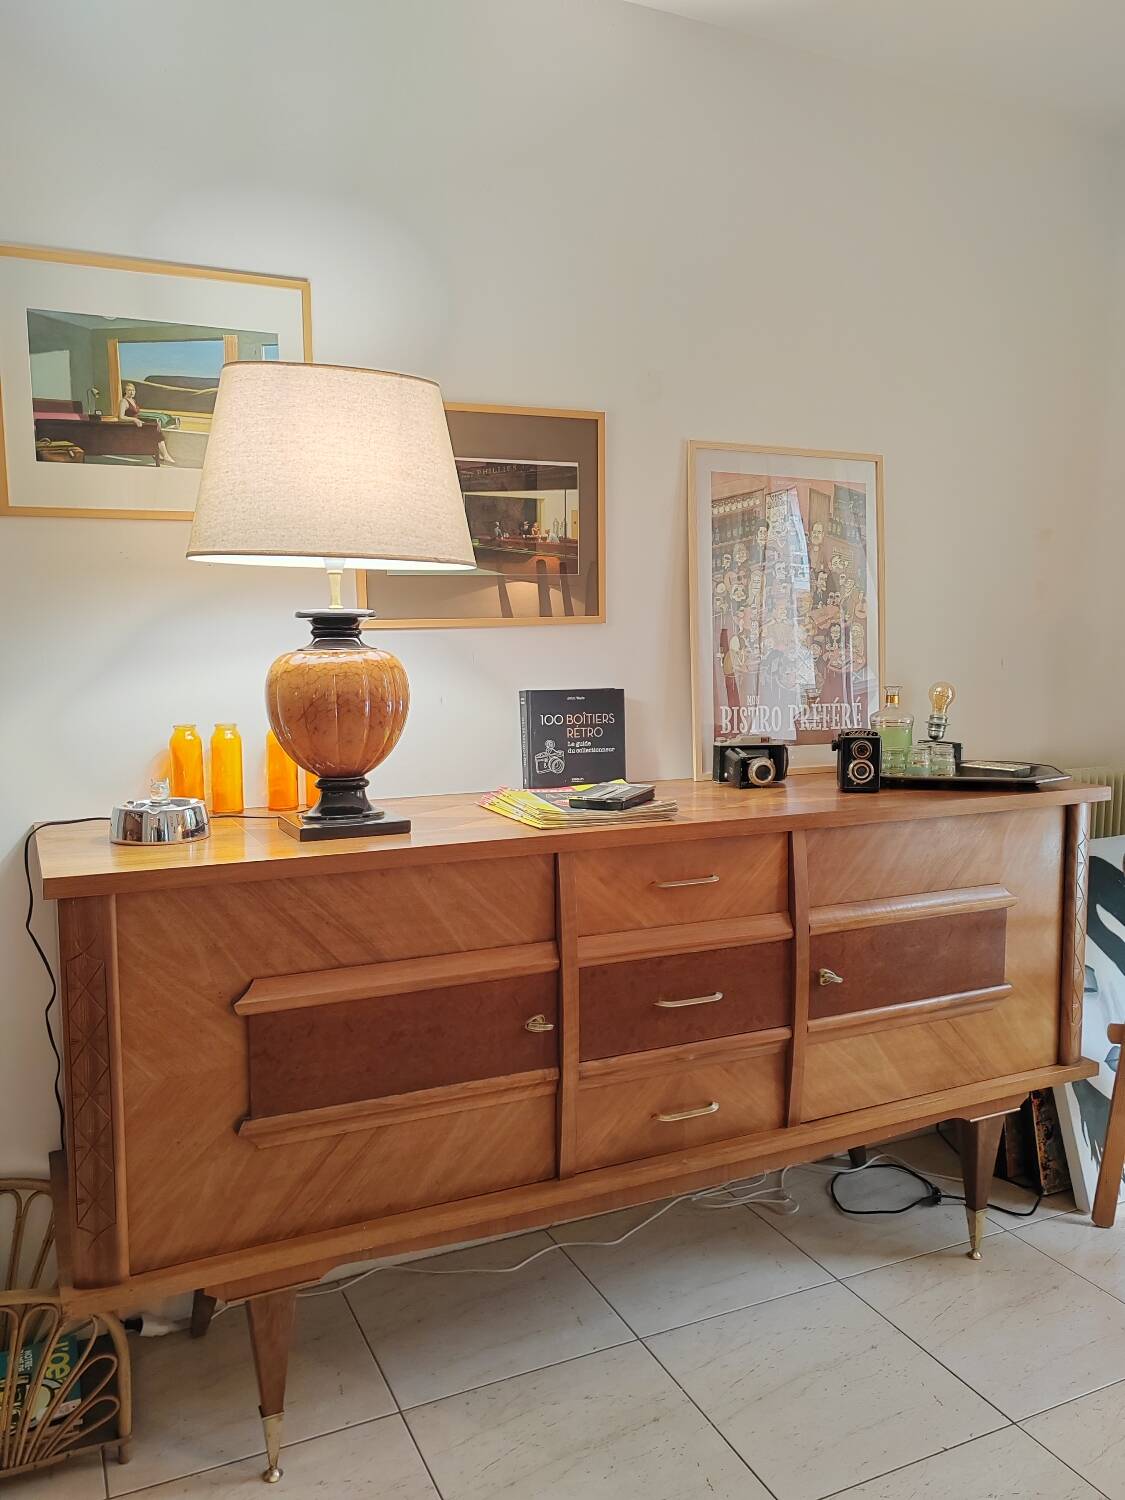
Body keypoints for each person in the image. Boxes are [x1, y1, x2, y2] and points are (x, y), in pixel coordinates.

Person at [119, 382, 175, 464]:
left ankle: (160, 453)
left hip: (137, 425)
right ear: (125, 391)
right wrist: (134, 420)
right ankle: (164, 454)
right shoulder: (124, 401)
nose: (132, 392)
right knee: (155, 432)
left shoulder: (133, 400)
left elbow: (136, 415)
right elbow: (121, 417)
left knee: (156, 429)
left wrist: (139, 420)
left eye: (133, 390)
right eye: (129, 390)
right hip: (131, 427)